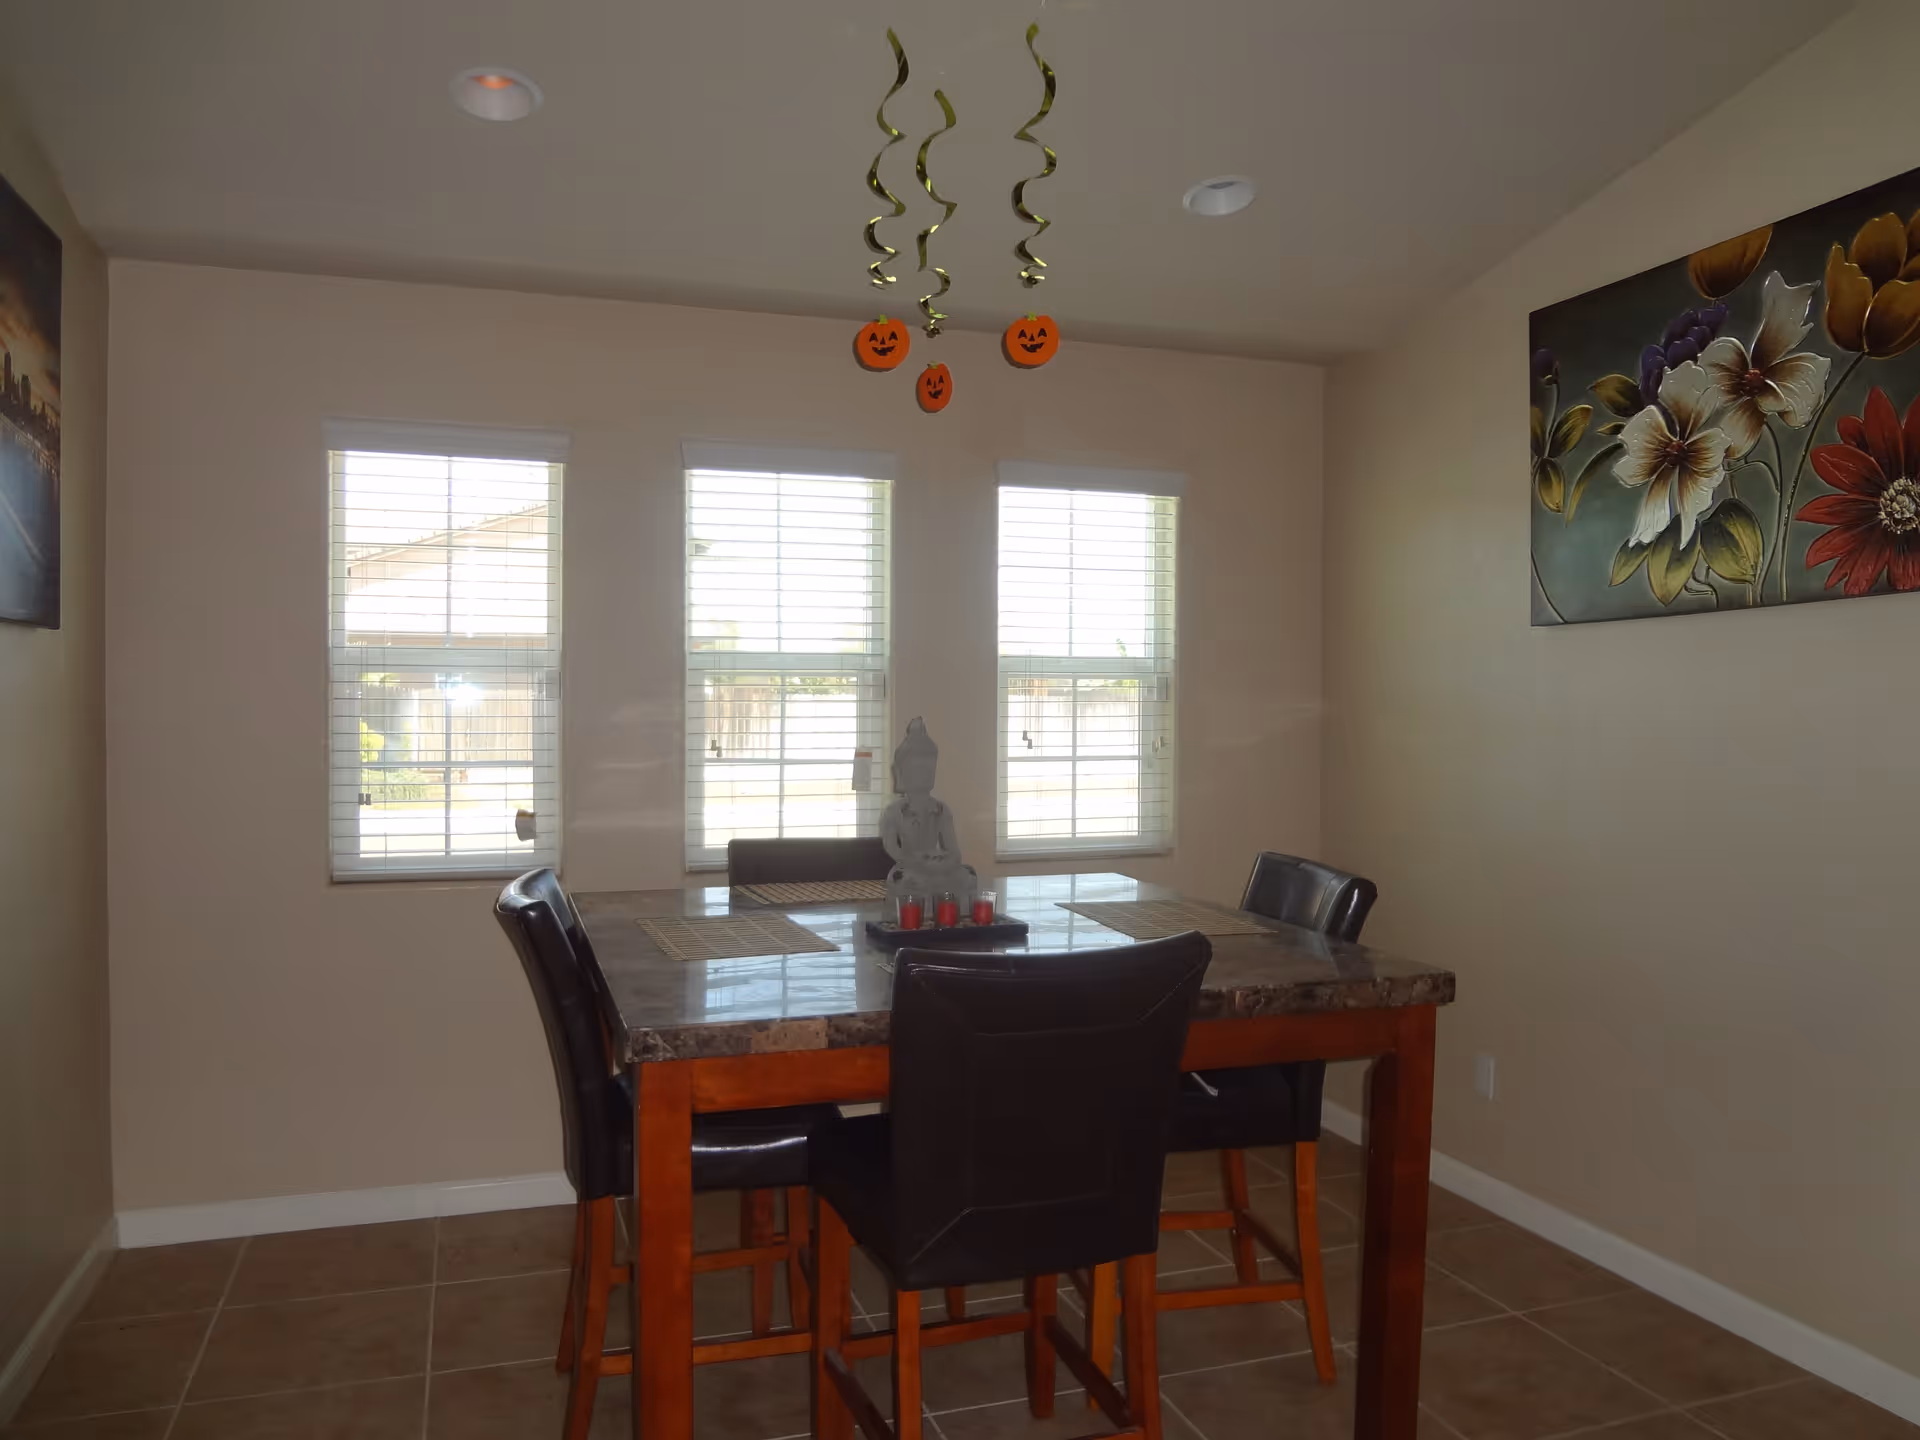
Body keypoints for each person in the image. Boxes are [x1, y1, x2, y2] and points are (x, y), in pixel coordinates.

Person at [878, 717, 978, 911]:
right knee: (906, 880)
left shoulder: (941, 809)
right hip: (911, 867)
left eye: (928, 768)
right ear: (901, 773)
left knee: (968, 875)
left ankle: (953, 916)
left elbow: (953, 850)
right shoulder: (894, 811)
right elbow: (892, 847)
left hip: (936, 865)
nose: (924, 773)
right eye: (916, 769)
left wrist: (945, 862)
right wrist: (914, 861)